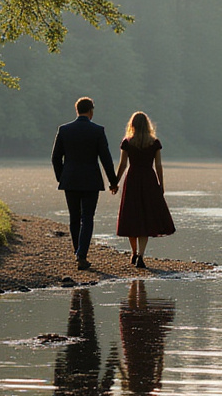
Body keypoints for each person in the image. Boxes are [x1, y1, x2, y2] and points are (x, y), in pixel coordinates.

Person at [51, 97, 119, 270]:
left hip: (70, 180)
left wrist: (62, 177)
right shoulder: (97, 131)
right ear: (91, 111)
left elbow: (55, 157)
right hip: (91, 181)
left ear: (77, 110)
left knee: (74, 218)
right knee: (87, 218)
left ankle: (78, 252)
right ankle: (81, 254)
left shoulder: (64, 130)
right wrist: (113, 181)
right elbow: (106, 159)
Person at [114, 111, 175, 268]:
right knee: (145, 218)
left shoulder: (128, 142)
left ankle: (133, 253)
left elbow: (122, 165)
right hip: (148, 179)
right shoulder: (154, 143)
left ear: (132, 125)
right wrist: (161, 185)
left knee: (132, 216)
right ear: (148, 125)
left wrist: (115, 182)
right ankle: (141, 255)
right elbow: (158, 165)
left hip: (133, 179)